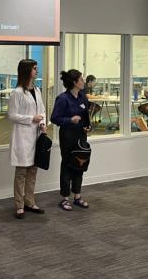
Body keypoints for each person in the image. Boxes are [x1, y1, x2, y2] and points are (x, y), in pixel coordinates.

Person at [8, 59, 47, 219]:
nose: (37, 71)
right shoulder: (17, 92)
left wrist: (43, 122)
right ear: (26, 71)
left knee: (33, 170)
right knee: (21, 172)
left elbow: (42, 110)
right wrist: (32, 118)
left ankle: (30, 201)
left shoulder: (37, 90)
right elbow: (12, 115)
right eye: (34, 69)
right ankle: (19, 205)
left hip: (36, 134)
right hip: (22, 136)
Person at [51, 69, 92, 211]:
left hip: (81, 136)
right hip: (67, 136)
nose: (84, 81)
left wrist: (88, 127)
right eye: (81, 79)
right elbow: (54, 118)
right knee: (68, 165)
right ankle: (64, 198)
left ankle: (77, 196)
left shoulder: (83, 97)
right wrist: (70, 120)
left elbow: (86, 118)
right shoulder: (63, 99)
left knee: (80, 164)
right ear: (75, 82)